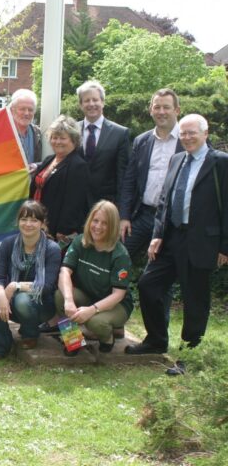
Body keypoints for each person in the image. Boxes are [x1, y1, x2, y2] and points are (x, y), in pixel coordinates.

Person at [126, 114, 228, 375]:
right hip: (171, 238)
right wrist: (158, 234)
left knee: (195, 299)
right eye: (183, 133)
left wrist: (224, 246)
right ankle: (156, 340)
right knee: (149, 285)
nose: (187, 137)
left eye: (192, 133)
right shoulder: (177, 159)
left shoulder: (220, 163)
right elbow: (164, 201)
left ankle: (188, 356)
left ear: (206, 134)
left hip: (202, 241)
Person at [0, 201, 61, 360]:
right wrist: (2, 295)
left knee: (22, 299)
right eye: (24, 219)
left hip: (41, 305)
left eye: (34, 220)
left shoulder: (52, 249)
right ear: (18, 222)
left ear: (42, 223)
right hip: (12, 303)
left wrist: (14, 286)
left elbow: (46, 286)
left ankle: (30, 333)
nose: (28, 224)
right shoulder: (8, 244)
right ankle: (1, 345)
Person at [55, 200, 133, 354]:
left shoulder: (120, 255)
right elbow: (65, 272)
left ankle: (108, 338)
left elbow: (118, 294)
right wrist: (69, 301)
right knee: (60, 296)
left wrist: (91, 310)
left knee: (95, 321)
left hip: (116, 304)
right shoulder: (80, 241)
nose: (98, 227)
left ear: (112, 227)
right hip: (89, 295)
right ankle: (73, 341)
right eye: (95, 221)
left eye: (104, 223)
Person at [119, 89, 183, 259]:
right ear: (151, 110)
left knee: (160, 271)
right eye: (157, 107)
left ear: (177, 110)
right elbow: (129, 181)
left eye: (166, 107)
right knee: (118, 257)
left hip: (171, 220)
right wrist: (124, 217)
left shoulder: (189, 140)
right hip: (143, 215)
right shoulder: (142, 141)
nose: (161, 112)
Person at [29, 115, 90, 247]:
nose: (57, 141)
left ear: (74, 140)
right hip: (37, 222)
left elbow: (74, 203)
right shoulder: (49, 160)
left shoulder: (78, 165)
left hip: (56, 231)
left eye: (62, 138)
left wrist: (63, 231)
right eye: (54, 137)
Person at [76, 80, 130, 205]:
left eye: (95, 100)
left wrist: (122, 211)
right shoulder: (72, 130)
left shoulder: (120, 133)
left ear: (103, 102)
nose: (91, 104)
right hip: (76, 204)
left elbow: (123, 175)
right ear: (80, 104)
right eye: (87, 100)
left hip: (106, 205)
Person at [8, 89, 42, 164]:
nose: (26, 113)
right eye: (22, 109)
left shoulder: (38, 133)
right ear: (12, 110)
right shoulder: (3, 132)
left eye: (30, 110)